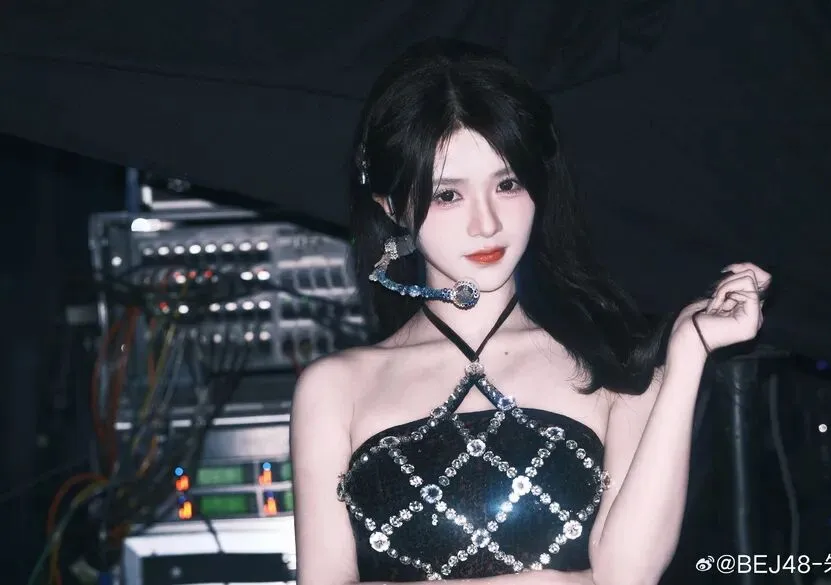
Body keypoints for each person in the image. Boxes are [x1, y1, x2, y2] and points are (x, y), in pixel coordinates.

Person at [290, 38, 771, 585]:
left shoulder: (614, 363)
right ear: (392, 206)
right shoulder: (335, 389)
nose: (487, 223)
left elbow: (628, 575)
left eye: (507, 184)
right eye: (448, 195)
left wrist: (688, 353)